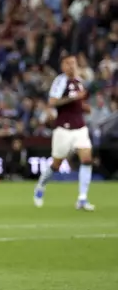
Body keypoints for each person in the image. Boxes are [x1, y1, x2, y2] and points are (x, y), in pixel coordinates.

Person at [34, 55, 95, 210]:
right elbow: (53, 102)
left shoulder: (80, 81)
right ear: (62, 66)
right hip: (63, 128)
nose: (72, 66)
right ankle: (41, 185)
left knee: (87, 159)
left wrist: (84, 107)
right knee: (56, 164)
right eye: (68, 63)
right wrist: (73, 97)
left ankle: (82, 198)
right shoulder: (60, 81)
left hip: (80, 127)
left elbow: (80, 102)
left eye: (74, 63)